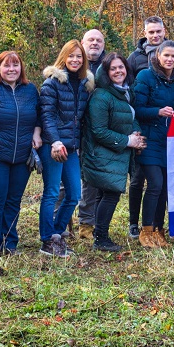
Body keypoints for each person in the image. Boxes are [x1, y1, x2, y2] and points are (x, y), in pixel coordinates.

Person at [0, 51, 42, 273]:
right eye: (7, 66)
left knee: (13, 200)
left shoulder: (30, 90)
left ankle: (9, 242)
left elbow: (39, 115)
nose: (12, 69)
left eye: (16, 65)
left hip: (22, 155)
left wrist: (37, 133)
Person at [82, 53, 146, 252]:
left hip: (115, 152)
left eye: (121, 67)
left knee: (105, 193)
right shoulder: (101, 96)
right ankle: (100, 238)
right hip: (103, 153)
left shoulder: (124, 92)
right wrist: (128, 141)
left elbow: (128, 117)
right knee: (111, 194)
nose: (118, 71)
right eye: (113, 69)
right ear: (106, 73)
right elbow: (98, 131)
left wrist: (136, 133)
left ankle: (100, 235)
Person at [133, 40, 174, 248]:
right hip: (150, 140)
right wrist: (157, 111)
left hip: (171, 142)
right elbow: (137, 108)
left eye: (173, 56)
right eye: (166, 55)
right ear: (158, 56)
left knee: (166, 188)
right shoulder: (145, 76)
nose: (169, 59)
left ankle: (159, 230)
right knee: (155, 185)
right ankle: (145, 230)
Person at [39, 40, 94, 252]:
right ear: (64, 57)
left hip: (71, 147)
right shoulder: (52, 83)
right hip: (53, 145)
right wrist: (54, 141)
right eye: (71, 56)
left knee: (74, 195)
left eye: (79, 57)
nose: (75, 60)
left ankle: (58, 233)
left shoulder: (84, 85)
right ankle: (47, 239)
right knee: (52, 192)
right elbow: (47, 115)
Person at [126, 16, 169, 240]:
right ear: (145, 32)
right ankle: (134, 223)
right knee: (137, 179)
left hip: (162, 129)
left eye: (158, 32)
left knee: (158, 181)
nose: (155, 35)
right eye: (151, 32)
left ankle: (155, 224)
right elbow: (130, 91)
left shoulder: (171, 55)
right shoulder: (135, 58)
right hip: (141, 126)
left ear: (164, 31)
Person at [76, 27, 108, 236]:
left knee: (93, 179)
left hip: (100, 130)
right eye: (90, 40)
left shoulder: (108, 66)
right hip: (75, 129)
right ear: (83, 42)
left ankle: (89, 222)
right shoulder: (74, 64)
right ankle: (63, 222)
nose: (95, 43)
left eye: (98, 40)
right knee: (66, 180)